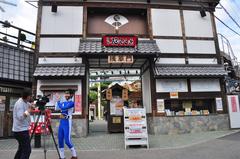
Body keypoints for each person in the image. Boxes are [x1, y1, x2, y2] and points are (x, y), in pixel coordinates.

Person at [12, 89, 34, 159]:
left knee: (21, 149)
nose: (31, 97)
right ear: (27, 96)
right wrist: (28, 110)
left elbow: (31, 106)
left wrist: (33, 106)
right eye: (30, 96)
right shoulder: (19, 104)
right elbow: (20, 117)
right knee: (27, 150)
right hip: (20, 131)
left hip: (21, 130)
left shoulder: (25, 102)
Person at [56, 90, 78, 159]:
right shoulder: (63, 102)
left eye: (68, 94)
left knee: (67, 141)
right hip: (61, 122)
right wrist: (58, 101)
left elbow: (63, 108)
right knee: (60, 139)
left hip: (67, 122)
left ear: (71, 95)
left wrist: (59, 101)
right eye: (65, 94)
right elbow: (57, 108)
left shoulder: (72, 103)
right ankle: (62, 157)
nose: (66, 95)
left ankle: (74, 155)